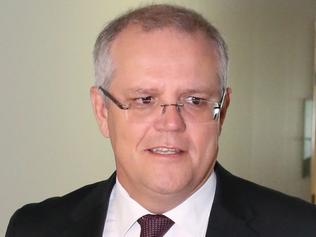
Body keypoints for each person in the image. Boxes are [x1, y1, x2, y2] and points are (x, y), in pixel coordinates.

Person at [6, 4, 316, 237]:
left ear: (222, 112)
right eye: (144, 100)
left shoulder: (301, 228)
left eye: (194, 100)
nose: (171, 124)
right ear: (102, 110)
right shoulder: (34, 228)